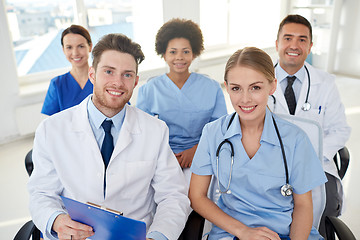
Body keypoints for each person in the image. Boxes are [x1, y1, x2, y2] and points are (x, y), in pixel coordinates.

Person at [28, 33, 190, 240]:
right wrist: (56, 220)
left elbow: (173, 196)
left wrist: (157, 236)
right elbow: (41, 193)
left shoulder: (155, 130)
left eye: (127, 75)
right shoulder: (51, 130)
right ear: (92, 74)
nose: (118, 83)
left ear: (136, 81)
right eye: (109, 72)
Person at [189, 47, 327, 240]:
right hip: (232, 232)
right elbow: (197, 196)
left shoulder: (295, 139)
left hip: (287, 233)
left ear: (272, 86)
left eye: (256, 87)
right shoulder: (213, 133)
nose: (245, 99)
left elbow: (303, 205)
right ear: (227, 87)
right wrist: (242, 231)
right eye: (236, 88)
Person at [268, 14, 351, 236]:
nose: (294, 45)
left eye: (302, 39)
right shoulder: (259, 79)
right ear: (277, 43)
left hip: (316, 164)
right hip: (268, 163)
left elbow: (340, 129)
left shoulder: (326, 83)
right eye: (288, 38)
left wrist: (307, 156)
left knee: (324, 204)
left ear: (310, 46)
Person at [136, 18, 227, 182]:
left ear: (194, 53)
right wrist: (167, 156)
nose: (179, 57)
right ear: (163, 54)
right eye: (173, 52)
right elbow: (143, 133)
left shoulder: (212, 87)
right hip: (161, 157)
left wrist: (195, 151)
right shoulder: (149, 90)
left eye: (185, 51)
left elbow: (220, 129)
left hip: (204, 153)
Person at [41, 24, 93, 116]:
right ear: (63, 50)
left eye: (81, 46)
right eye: (69, 47)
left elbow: (122, 111)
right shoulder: (57, 84)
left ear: (90, 47)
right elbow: (50, 123)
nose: (75, 53)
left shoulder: (104, 80)